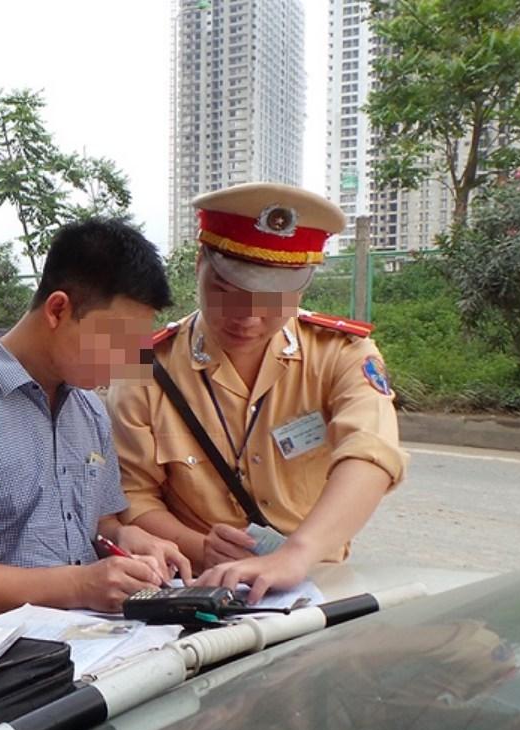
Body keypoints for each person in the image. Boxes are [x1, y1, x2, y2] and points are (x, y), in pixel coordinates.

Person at [106, 183, 408, 604]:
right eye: (227, 291)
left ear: (301, 288)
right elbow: (132, 495)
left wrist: (296, 555)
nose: (247, 317)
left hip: (315, 583)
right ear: (199, 266)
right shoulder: (145, 366)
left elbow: (370, 454)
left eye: (272, 298)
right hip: (196, 588)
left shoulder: (340, 353)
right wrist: (200, 546)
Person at [0, 219, 193, 618]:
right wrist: (79, 585)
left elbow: (99, 522)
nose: (128, 361)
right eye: (117, 342)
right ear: (58, 310)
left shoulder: (88, 410)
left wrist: (128, 536)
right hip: (4, 658)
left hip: (94, 641)